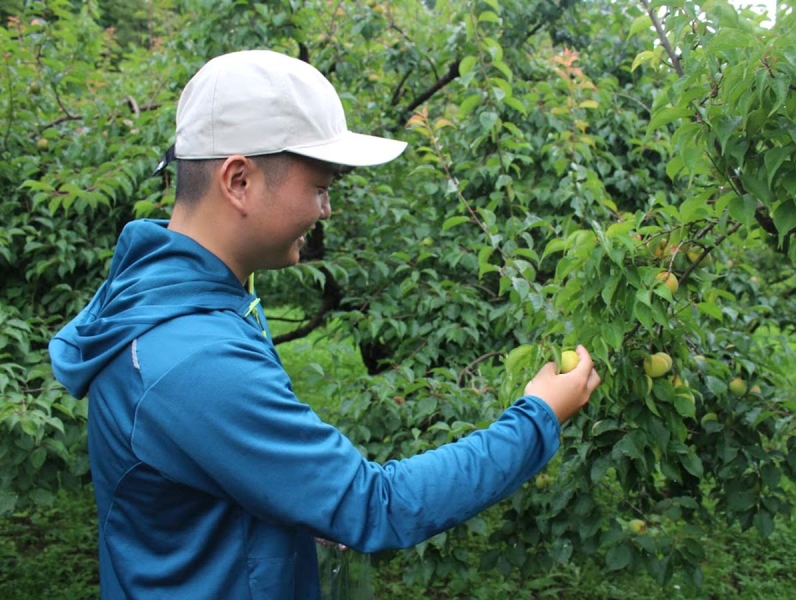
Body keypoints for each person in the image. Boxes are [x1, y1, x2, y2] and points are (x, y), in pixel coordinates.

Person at [49, 49, 601, 600]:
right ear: (238, 181)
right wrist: (538, 417)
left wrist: (294, 498)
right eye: (321, 186)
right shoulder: (195, 359)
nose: (326, 210)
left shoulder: (182, 296)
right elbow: (375, 506)